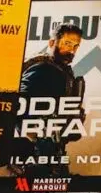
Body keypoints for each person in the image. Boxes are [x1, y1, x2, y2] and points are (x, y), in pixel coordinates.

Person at [10, 23, 87, 178]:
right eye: (67, 43)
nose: (72, 50)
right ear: (52, 43)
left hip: (53, 151)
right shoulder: (42, 67)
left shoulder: (63, 72)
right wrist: (32, 138)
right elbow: (16, 104)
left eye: (76, 46)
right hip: (37, 154)